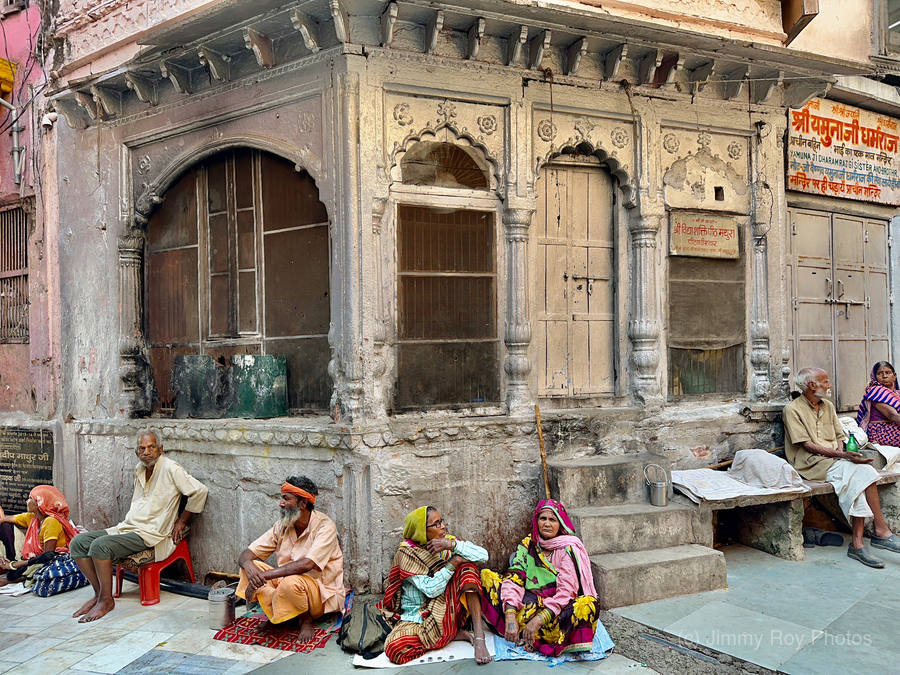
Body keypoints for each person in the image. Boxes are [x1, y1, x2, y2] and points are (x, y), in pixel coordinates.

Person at [69, 430, 208, 622]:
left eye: (151, 447)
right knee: (77, 542)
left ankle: (107, 601)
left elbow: (200, 492)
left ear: (160, 449)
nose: (146, 452)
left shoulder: (171, 468)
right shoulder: (140, 469)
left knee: (100, 546)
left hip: (152, 534)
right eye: (142, 448)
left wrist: (181, 520)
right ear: (137, 452)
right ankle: (99, 595)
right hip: (129, 527)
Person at [784, 367, 900, 568]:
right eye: (826, 382)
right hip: (810, 463)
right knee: (861, 472)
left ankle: (859, 542)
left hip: (834, 460)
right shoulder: (792, 410)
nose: (830, 385)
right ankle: (878, 531)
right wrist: (842, 456)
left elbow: (839, 436)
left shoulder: (827, 406)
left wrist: (842, 454)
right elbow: (807, 445)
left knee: (863, 472)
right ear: (812, 385)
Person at [480, 499, 598, 656]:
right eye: (543, 519)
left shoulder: (567, 549)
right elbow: (515, 578)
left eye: (552, 519)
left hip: (554, 613)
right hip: (528, 605)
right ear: (537, 521)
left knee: (587, 604)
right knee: (486, 577)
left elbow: (566, 592)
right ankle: (523, 631)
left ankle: (534, 634)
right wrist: (510, 615)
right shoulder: (529, 544)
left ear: (560, 523)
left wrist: (539, 619)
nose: (547, 524)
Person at [378, 506, 492, 665]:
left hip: (445, 609)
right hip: (418, 618)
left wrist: (452, 546)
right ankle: (450, 634)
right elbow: (431, 590)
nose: (443, 527)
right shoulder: (407, 553)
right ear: (421, 531)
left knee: (468, 568)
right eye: (436, 524)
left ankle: (479, 638)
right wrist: (454, 561)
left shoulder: (446, 543)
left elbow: (484, 556)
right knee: (393, 648)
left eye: (441, 522)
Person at [237, 476, 345, 642]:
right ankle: (278, 616)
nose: (281, 503)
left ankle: (306, 620)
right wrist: (249, 567)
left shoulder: (326, 526)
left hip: (318, 593)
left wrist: (264, 576)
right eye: (282, 498)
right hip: (286, 586)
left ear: (302, 504)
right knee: (249, 567)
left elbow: (307, 564)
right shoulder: (282, 525)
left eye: (286, 499)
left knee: (291, 582)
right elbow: (247, 553)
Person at [0, 485, 80, 587]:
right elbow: (5, 520)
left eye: (30, 499)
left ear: (39, 504)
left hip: (51, 559)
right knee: (6, 527)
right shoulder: (33, 518)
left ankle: (13, 580)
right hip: (36, 559)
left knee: (35, 568)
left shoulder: (51, 522)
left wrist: (14, 565)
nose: (27, 501)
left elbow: (47, 556)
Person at [856, 361, 900, 446]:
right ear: (875, 377)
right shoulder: (876, 391)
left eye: (888, 373)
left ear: (894, 376)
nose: (884, 376)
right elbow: (892, 416)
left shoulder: (897, 392)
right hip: (881, 430)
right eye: (880, 373)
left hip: (895, 426)